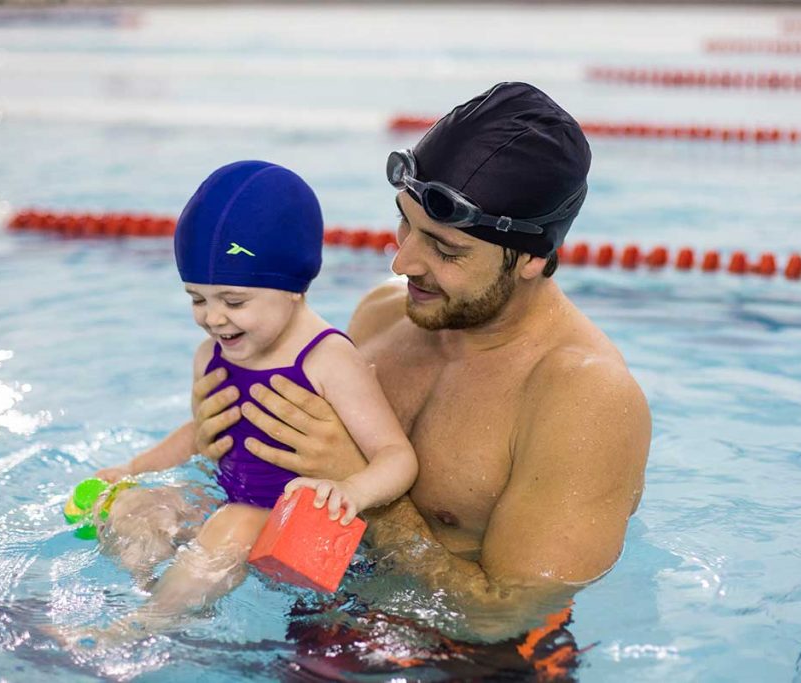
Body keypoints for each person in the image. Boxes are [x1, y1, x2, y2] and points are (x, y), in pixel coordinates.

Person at [189, 82, 652, 650]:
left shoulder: (583, 400)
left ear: (533, 257)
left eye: (445, 248)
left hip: (472, 661)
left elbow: (505, 617)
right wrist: (218, 433)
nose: (402, 260)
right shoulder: (384, 316)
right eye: (404, 223)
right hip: (329, 613)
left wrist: (367, 493)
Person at [83, 160, 418, 638]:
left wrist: (352, 492)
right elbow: (203, 433)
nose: (213, 318)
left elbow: (396, 455)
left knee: (234, 523)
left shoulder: (327, 359)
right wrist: (134, 468)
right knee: (136, 505)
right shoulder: (212, 355)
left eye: (233, 301)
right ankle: (148, 591)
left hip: (307, 535)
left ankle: (144, 626)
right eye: (197, 299)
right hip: (229, 508)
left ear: (293, 287)